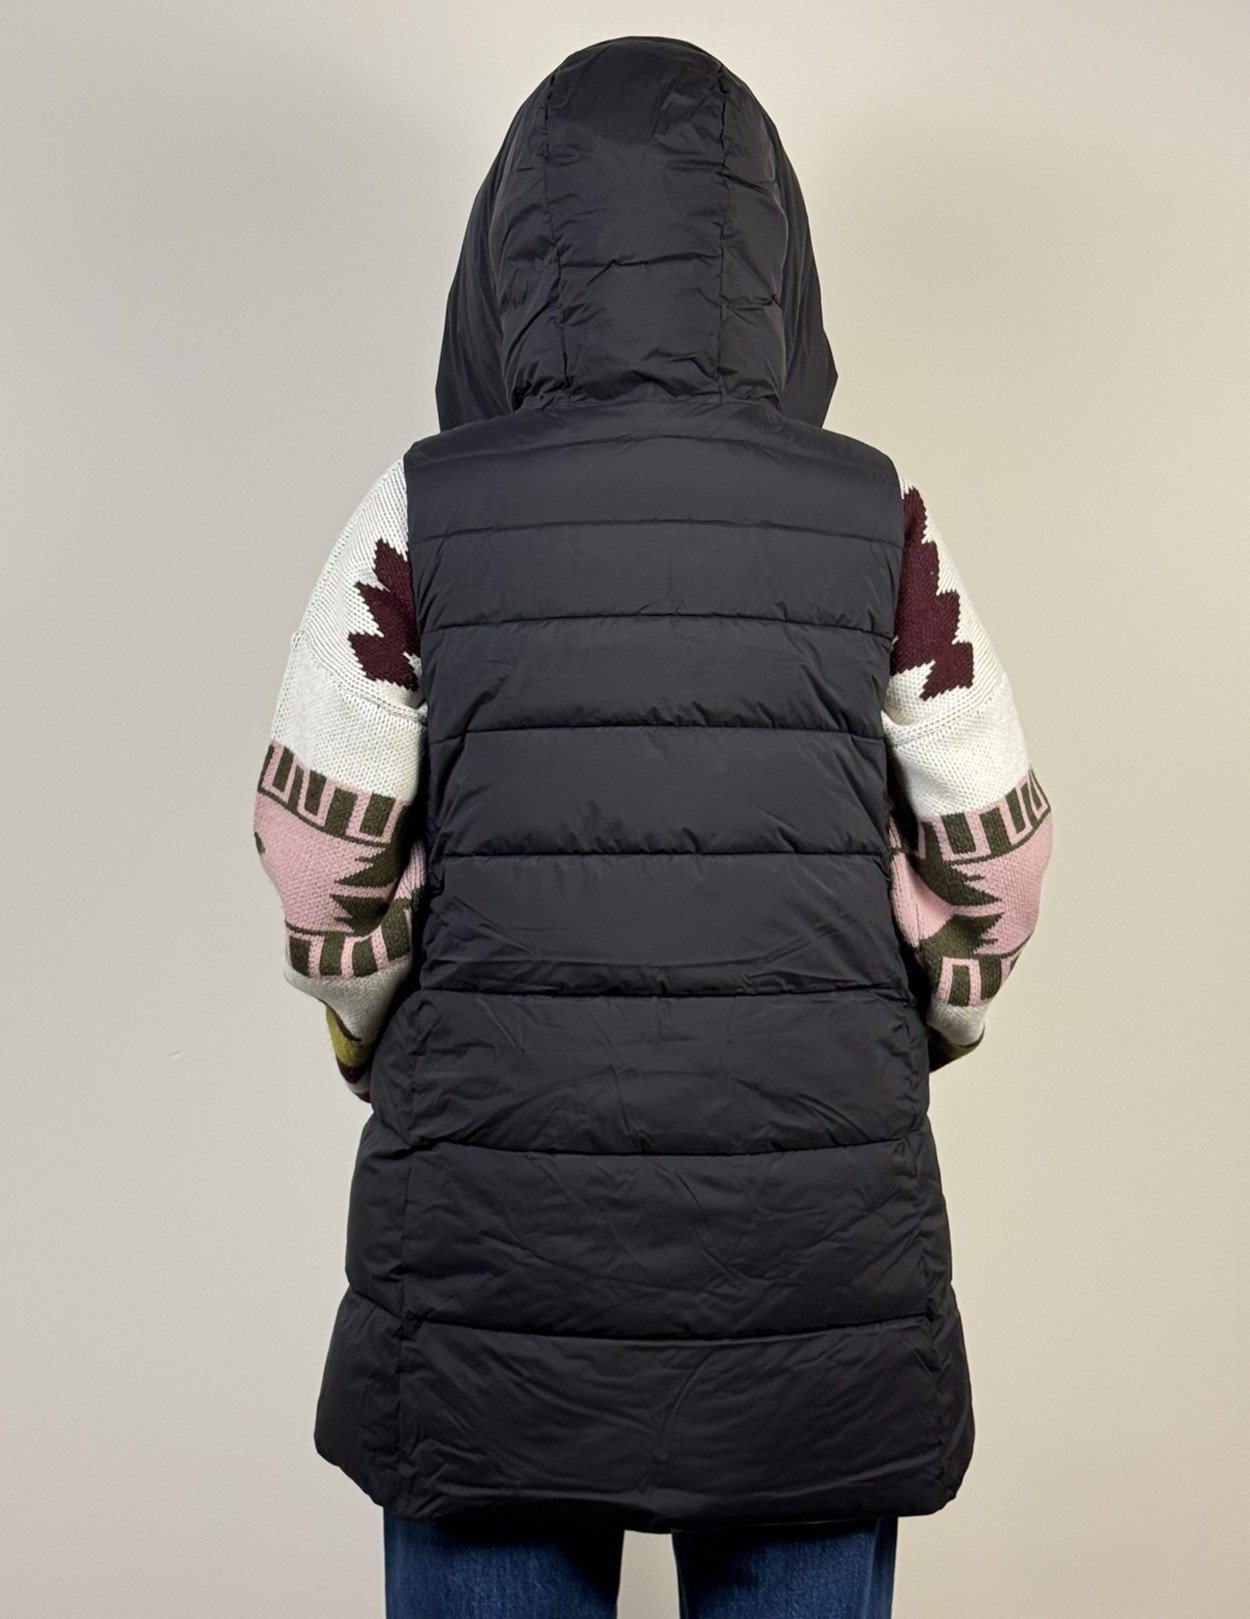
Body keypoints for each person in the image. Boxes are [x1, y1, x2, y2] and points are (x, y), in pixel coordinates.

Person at [253, 33, 1053, 1618]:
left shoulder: (421, 506)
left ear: (509, 265)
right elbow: (995, 863)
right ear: (768, 262)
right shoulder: (874, 513)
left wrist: (378, 1024)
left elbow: (318, 853)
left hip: (490, 1268)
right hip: (809, 1267)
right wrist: (905, 1018)